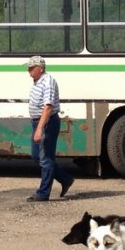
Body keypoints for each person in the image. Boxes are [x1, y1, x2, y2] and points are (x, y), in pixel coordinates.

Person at [24, 55, 75, 202]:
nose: (29, 71)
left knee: (46, 158)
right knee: (36, 155)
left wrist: (40, 128)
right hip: (38, 122)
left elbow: (48, 107)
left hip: (47, 122)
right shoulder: (37, 81)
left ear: (40, 68)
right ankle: (65, 179)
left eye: (31, 68)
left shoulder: (48, 82)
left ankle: (43, 193)